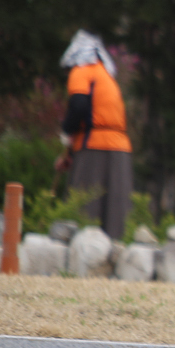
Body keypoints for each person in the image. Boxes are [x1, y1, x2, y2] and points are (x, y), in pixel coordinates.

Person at [55, 31, 134, 242]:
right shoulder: (106, 75)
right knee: (116, 213)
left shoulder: (81, 71)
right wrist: (70, 152)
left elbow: (79, 106)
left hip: (93, 148)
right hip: (121, 149)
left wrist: (66, 134)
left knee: (85, 209)